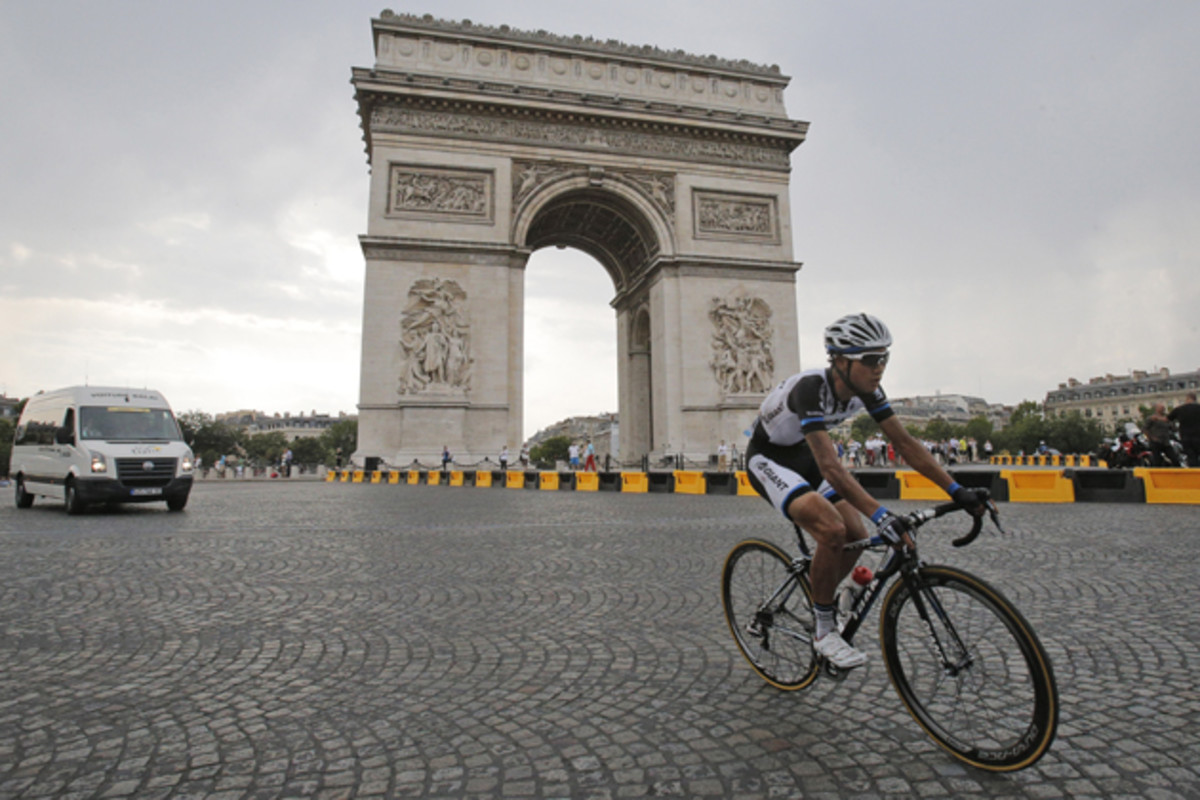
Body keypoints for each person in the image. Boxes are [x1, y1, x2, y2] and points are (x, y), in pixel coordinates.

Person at [744, 313, 986, 669]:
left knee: (855, 535)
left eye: (885, 358)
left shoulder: (867, 390)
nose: (880, 368)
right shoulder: (809, 389)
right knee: (833, 530)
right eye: (871, 360)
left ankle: (823, 595)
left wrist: (957, 489)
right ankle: (824, 630)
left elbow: (904, 443)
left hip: (807, 456)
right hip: (769, 459)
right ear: (841, 361)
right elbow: (831, 467)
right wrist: (881, 514)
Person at [1168, 392, 1200, 466]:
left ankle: (1194, 474)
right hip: (1198, 435)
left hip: (1186, 436)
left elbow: (1169, 418)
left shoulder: (1180, 409)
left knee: (1191, 456)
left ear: (1188, 399)